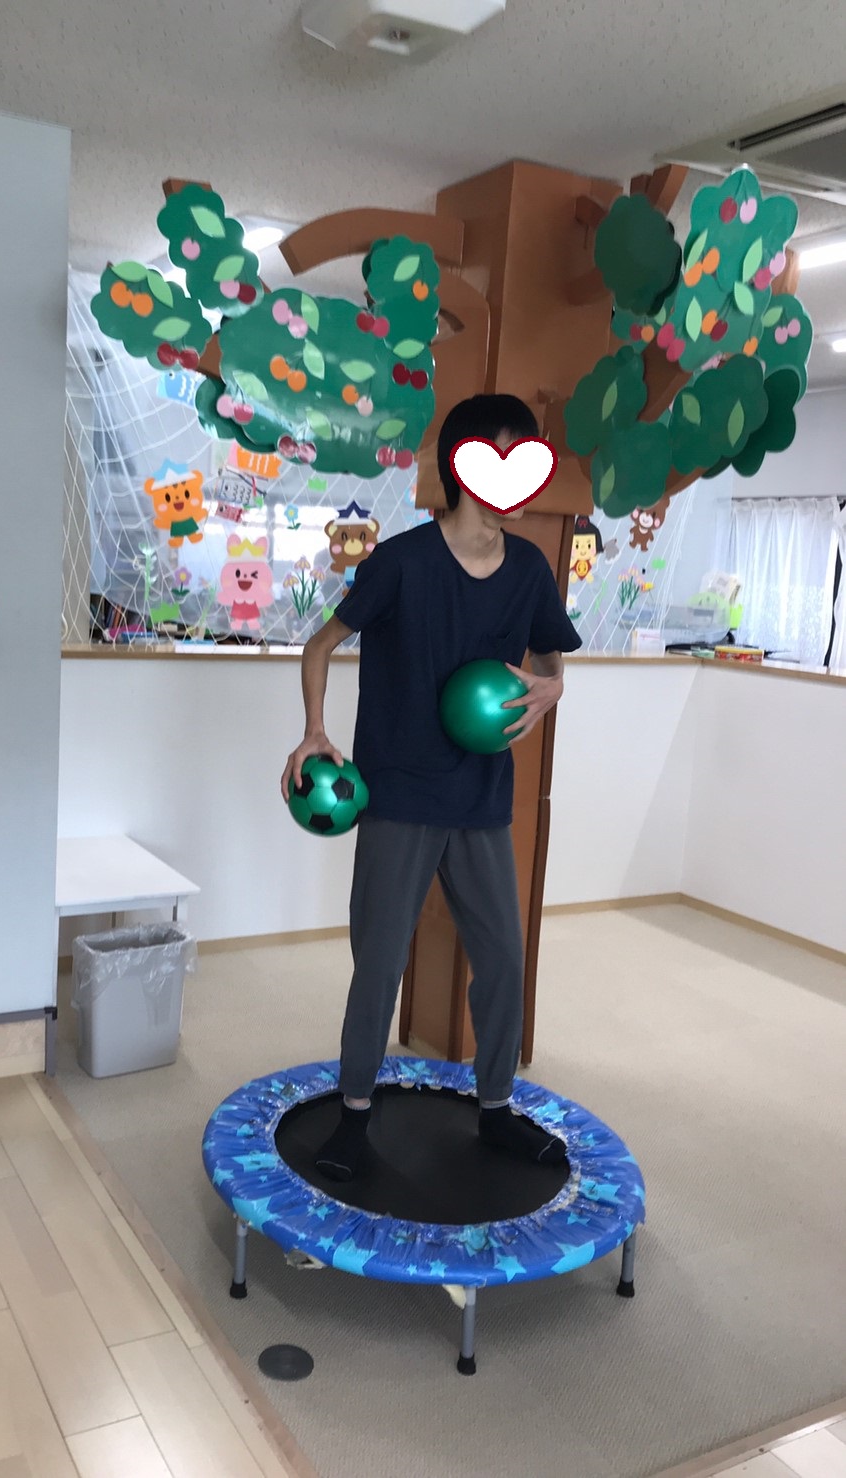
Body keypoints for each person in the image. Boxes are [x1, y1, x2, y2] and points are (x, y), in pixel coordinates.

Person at [281, 394, 582, 1182]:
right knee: (381, 964)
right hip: (400, 795)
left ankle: (496, 1109)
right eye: (501, 459)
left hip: (481, 799)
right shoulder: (402, 562)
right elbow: (319, 647)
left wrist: (552, 689)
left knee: (504, 961)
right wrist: (314, 731)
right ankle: (353, 1115)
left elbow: (551, 664)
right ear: (463, 466)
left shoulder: (529, 570)